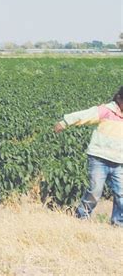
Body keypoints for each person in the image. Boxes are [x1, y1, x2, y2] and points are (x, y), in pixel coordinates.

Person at [54, 86, 123, 226]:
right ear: (119, 98)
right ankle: (82, 218)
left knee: (121, 194)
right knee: (95, 191)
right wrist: (65, 122)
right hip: (99, 159)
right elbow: (84, 115)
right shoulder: (106, 111)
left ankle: (118, 223)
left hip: (119, 162)